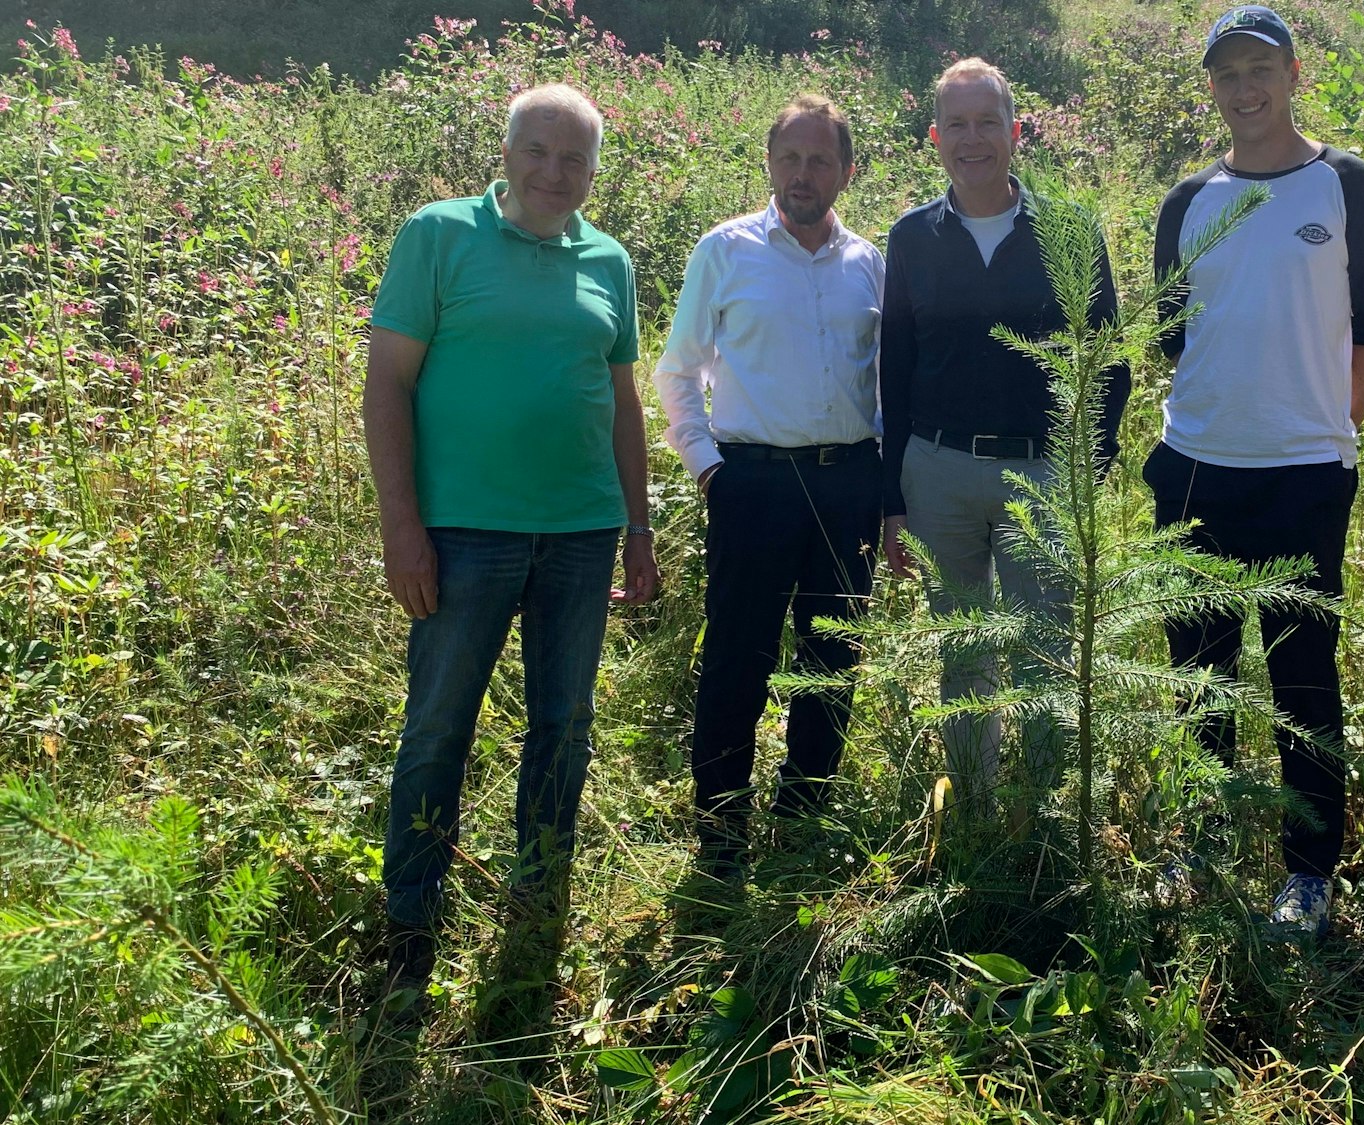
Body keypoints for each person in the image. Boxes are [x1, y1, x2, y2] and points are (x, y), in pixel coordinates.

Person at [364, 83, 656, 1008]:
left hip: (581, 532)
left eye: (574, 158)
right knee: (439, 726)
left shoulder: (607, 260)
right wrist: (402, 527)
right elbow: (386, 389)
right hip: (462, 536)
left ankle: (538, 899)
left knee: (563, 725)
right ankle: (411, 918)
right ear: (505, 151)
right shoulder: (438, 236)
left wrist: (640, 528)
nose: (554, 172)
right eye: (537, 150)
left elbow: (622, 404)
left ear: (595, 170)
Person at [1147, 4, 1364, 937]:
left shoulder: (1347, 187)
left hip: (1303, 476)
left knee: (1302, 680)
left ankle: (1308, 872)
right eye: (1226, 73)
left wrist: (1318, 429)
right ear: (1211, 87)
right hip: (1192, 471)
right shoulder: (1189, 202)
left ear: (1294, 73)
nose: (1244, 87)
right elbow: (1176, 337)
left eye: (1261, 67)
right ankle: (1202, 845)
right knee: (1200, 674)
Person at [879, 58, 1130, 816]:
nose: (973, 138)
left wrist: (1093, 465)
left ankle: (1045, 813)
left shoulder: (1067, 230)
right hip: (939, 470)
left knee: (1045, 650)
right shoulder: (911, 237)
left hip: (1041, 476)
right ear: (934, 138)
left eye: (988, 121)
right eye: (956, 123)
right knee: (963, 650)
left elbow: (1108, 359)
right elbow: (895, 370)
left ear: (1017, 133)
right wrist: (893, 495)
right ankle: (974, 810)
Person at [655, 95, 885, 879]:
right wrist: (708, 467)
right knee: (736, 659)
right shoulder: (724, 251)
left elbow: (884, 384)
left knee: (832, 658)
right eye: (789, 156)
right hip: (750, 484)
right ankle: (721, 830)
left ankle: (805, 814)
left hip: (846, 485)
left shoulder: (871, 264)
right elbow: (678, 371)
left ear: (847, 173)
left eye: (821, 159)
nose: (803, 173)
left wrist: (884, 494)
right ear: (768, 164)